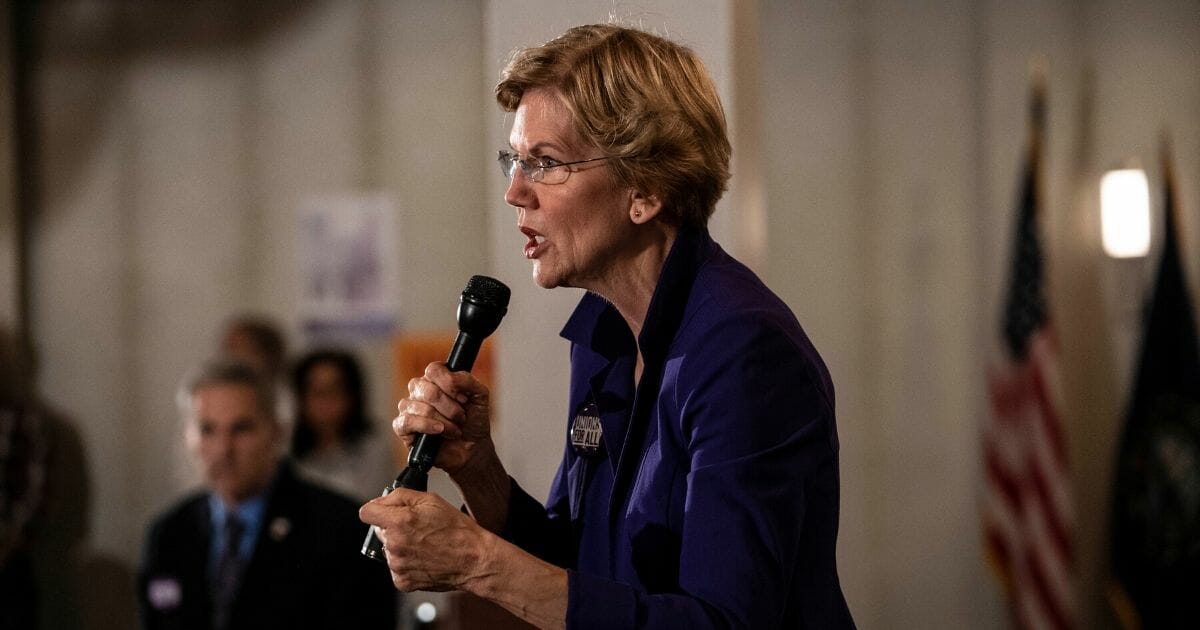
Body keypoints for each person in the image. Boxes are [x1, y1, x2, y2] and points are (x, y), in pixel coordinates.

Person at [359, 22, 855, 629]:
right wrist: (476, 466)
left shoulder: (745, 354)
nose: (516, 192)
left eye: (544, 163)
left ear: (643, 190)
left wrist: (475, 561)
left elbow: (723, 623)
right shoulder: (602, 334)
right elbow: (581, 572)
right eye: (514, 160)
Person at [139, 358, 396, 630]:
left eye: (241, 429)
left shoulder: (342, 529)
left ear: (276, 431)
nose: (223, 449)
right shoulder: (169, 533)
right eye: (207, 430)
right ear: (187, 437)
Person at [290, 348, 395, 501]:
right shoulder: (284, 452)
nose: (325, 401)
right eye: (317, 391)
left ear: (352, 396)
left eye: (334, 390)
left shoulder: (374, 448)